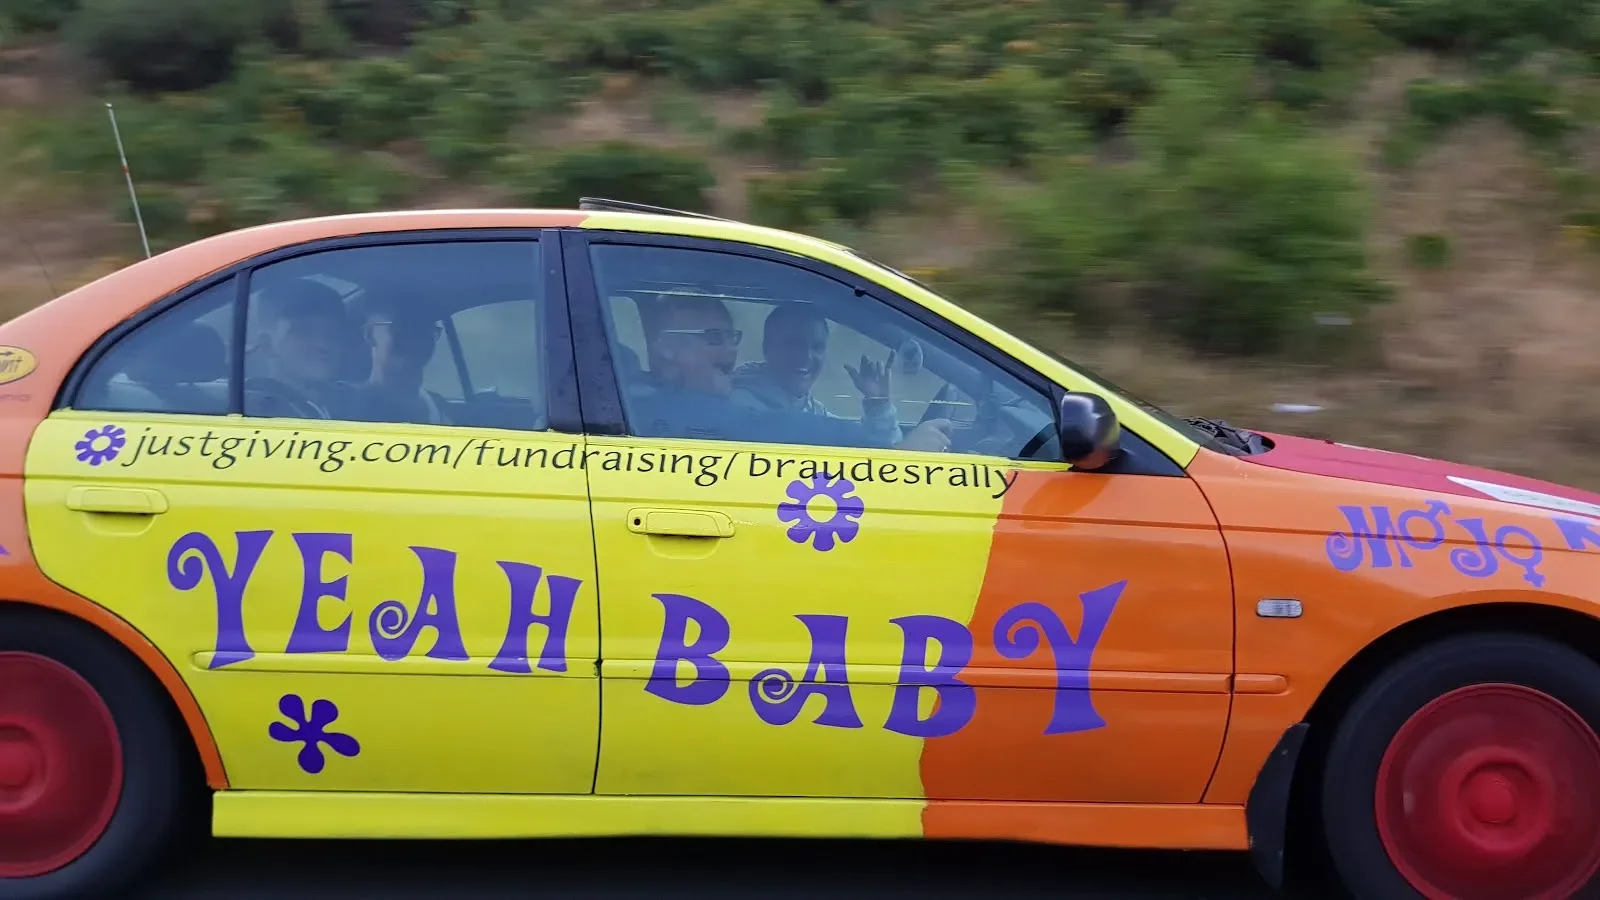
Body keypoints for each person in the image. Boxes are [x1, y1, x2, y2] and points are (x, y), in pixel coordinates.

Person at [632, 293, 951, 452]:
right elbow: (795, 431)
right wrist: (903, 455)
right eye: (715, 338)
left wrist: (878, 403)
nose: (730, 350)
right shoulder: (738, 405)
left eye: (732, 337)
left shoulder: (805, 407)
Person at [731, 302, 904, 446]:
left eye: (817, 347)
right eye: (794, 345)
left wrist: (878, 405)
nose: (807, 356)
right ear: (767, 348)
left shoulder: (811, 408)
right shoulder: (742, 406)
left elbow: (880, 455)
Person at [244, 278, 360, 420]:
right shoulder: (251, 408)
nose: (323, 344)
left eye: (332, 333)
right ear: (267, 344)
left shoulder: (354, 402)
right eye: (302, 331)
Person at [351, 293, 451, 426]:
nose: (414, 339)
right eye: (401, 327)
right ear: (369, 335)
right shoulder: (346, 405)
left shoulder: (440, 407)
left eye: (423, 328)